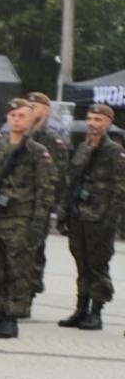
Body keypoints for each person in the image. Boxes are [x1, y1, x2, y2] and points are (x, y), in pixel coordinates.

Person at [0, 98, 55, 339]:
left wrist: (38, 224)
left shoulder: (37, 152)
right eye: (13, 116)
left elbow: (45, 190)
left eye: (22, 116)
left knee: (18, 269)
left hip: (21, 219)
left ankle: (12, 316)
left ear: (31, 121)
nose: (17, 120)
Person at [57, 103, 124, 331]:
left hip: (100, 218)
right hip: (79, 215)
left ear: (108, 123)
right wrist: (65, 210)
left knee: (98, 266)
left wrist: (109, 218)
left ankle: (96, 311)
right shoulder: (83, 148)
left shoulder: (115, 152)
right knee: (81, 264)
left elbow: (120, 188)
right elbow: (71, 182)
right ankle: (81, 308)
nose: (93, 124)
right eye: (91, 119)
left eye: (99, 120)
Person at [24, 91, 69, 312]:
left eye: (37, 105)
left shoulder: (53, 141)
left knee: (33, 250)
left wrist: (50, 206)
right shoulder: (21, 134)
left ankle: (29, 292)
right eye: (29, 105)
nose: (32, 108)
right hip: (16, 205)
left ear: (46, 110)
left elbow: (59, 177)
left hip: (38, 206)